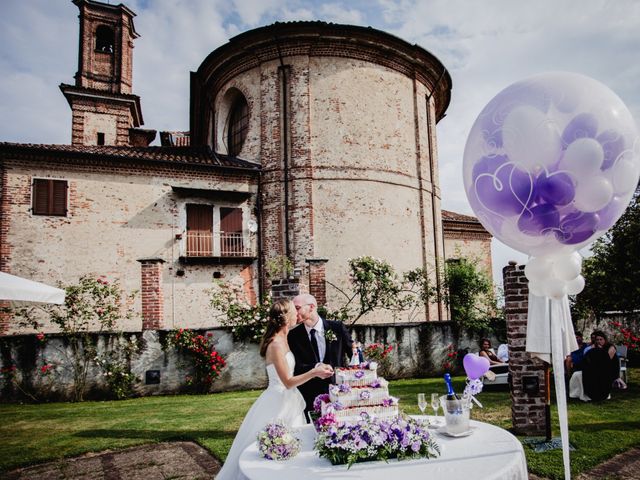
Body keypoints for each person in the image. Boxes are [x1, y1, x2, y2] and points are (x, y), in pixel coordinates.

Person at [216, 299, 334, 480]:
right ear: (287, 317)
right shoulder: (276, 344)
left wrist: (318, 367)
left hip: (290, 400)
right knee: (272, 447)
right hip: (277, 402)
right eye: (294, 312)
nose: (297, 314)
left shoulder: (285, 339)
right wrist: (314, 372)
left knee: (292, 447)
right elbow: (287, 381)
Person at [288, 293, 353, 418]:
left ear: (311, 307)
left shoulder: (337, 328)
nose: (294, 313)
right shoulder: (293, 335)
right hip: (308, 393)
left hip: (338, 390)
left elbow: (353, 355)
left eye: (297, 308)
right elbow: (295, 367)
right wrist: (316, 367)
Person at [581, 330, 626, 402]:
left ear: (605, 340)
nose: (599, 341)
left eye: (601, 339)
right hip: (599, 368)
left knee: (599, 375)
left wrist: (600, 350)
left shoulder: (611, 347)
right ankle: (589, 394)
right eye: (597, 340)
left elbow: (606, 361)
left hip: (610, 368)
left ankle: (601, 394)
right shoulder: (594, 348)